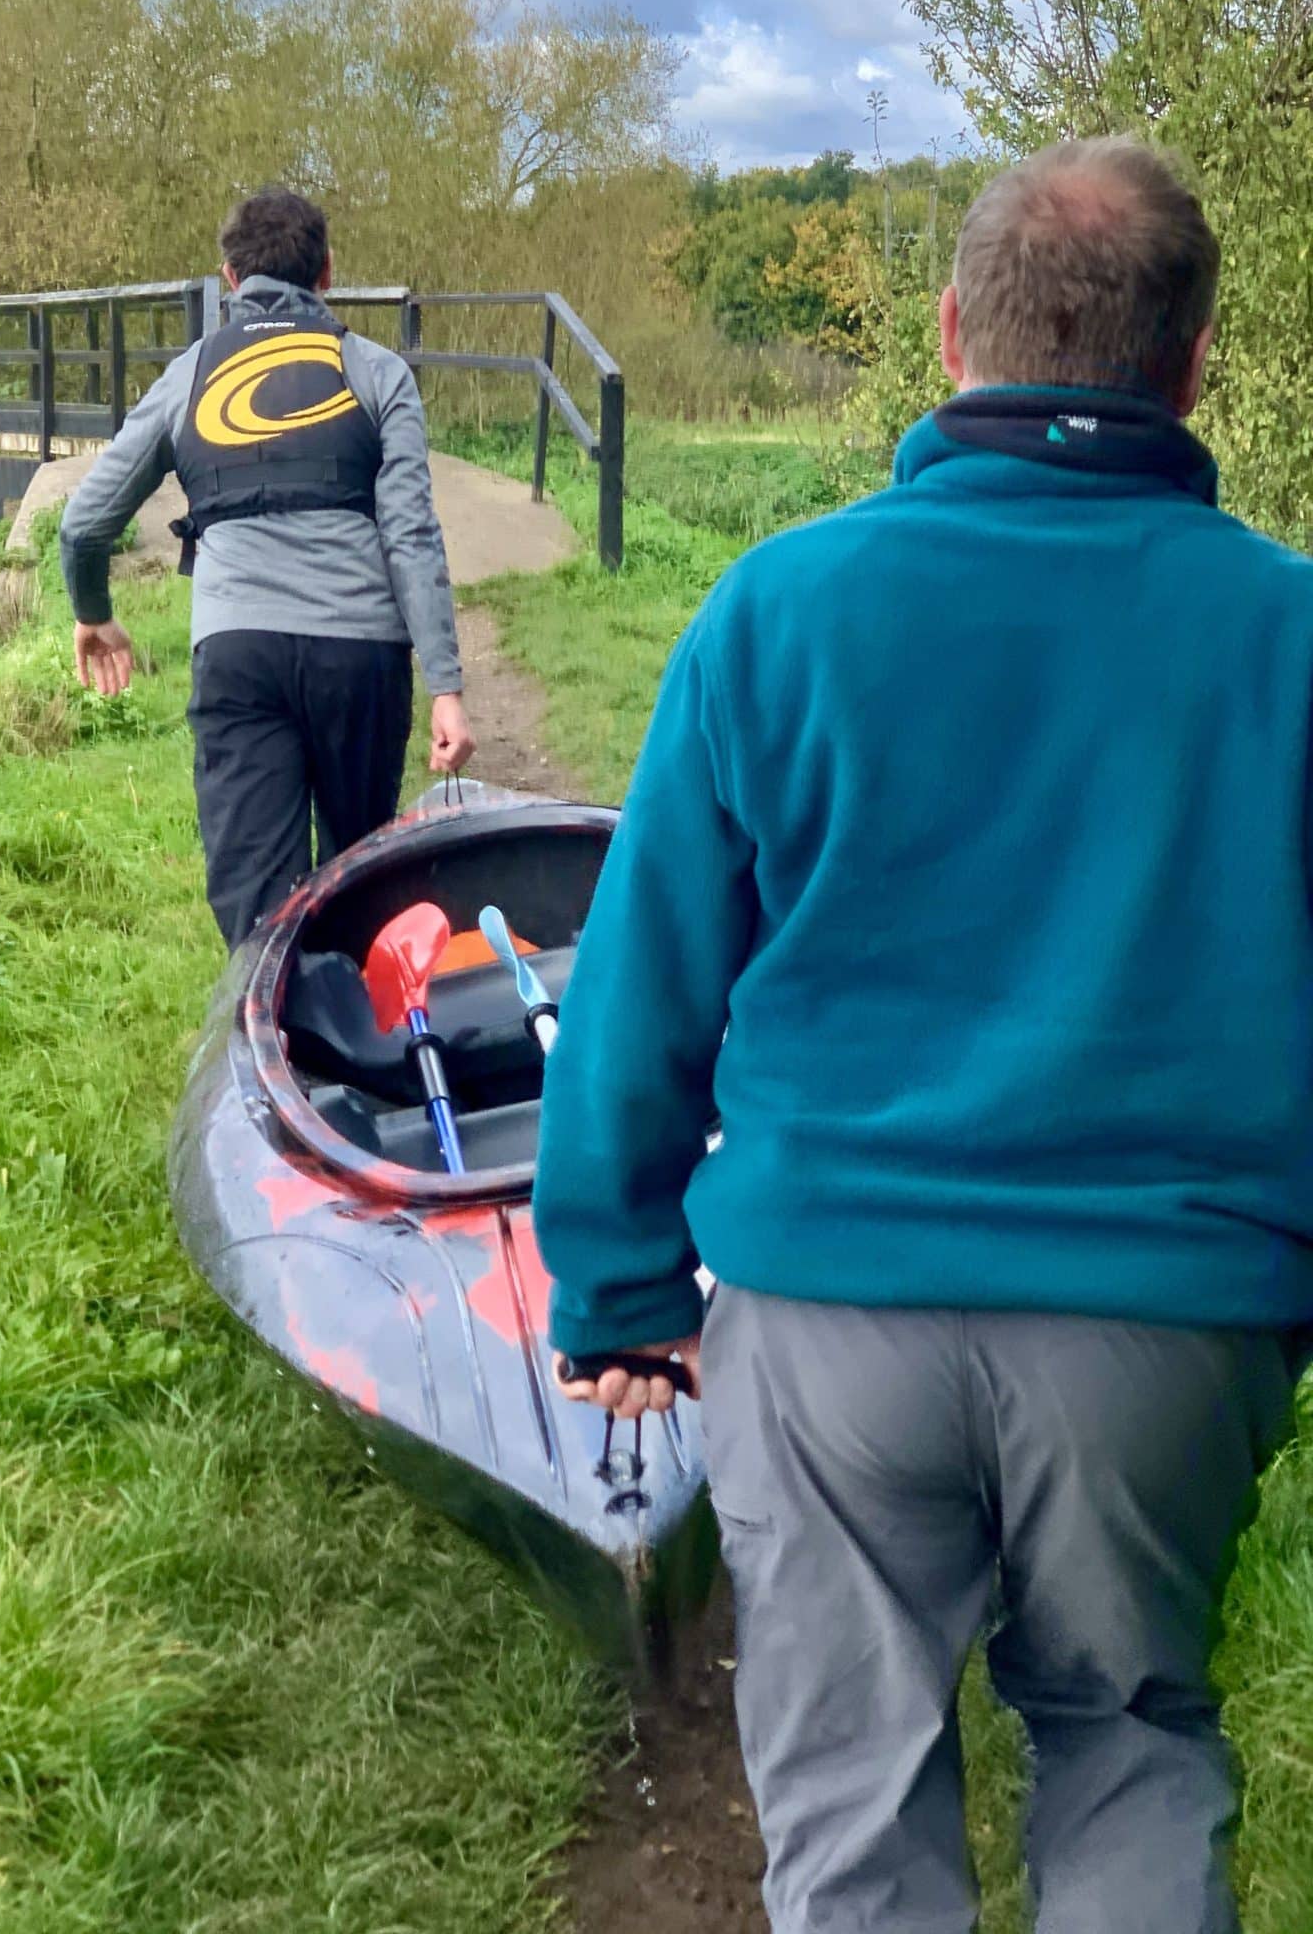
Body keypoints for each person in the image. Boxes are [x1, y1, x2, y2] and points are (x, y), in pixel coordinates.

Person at [534, 138, 1312, 1934]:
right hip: (1167, 1333)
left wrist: (619, 1283)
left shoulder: (779, 611)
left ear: (954, 333)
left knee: (852, 1803)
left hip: (827, 1326)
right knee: (1127, 1743)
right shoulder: (1289, 634)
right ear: (1193, 359)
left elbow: (646, 982)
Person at [61, 185, 475, 946]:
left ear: (229, 279)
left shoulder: (191, 374)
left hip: (238, 653)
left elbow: (84, 522)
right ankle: (368, 1035)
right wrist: (446, 688)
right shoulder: (378, 373)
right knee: (361, 879)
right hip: (362, 657)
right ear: (327, 274)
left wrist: (93, 613)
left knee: (259, 908)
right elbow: (412, 535)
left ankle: (275, 1046)